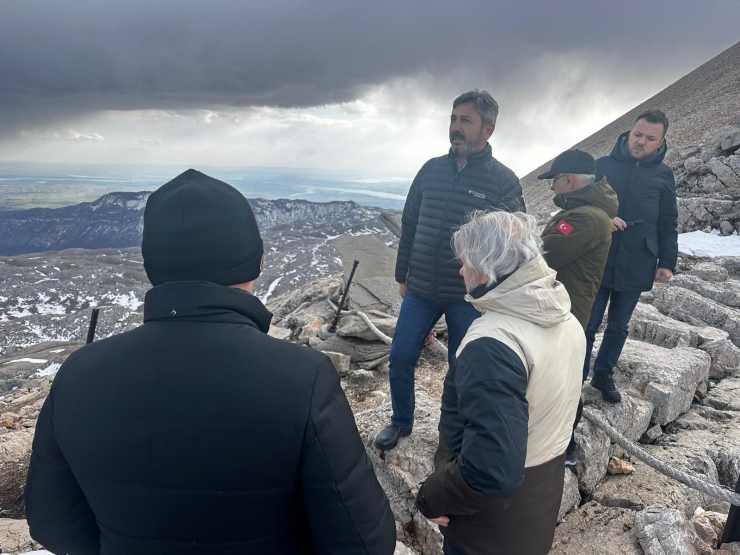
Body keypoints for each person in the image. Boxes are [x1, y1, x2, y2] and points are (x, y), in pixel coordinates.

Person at [25, 169, 396, 555]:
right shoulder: (304, 378)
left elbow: (51, 522)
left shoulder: (78, 374)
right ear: (258, 263)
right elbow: (364, 542)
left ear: (153, 268)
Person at [415, 211, 584, 555]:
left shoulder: (493, 343)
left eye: (464, 263)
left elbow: (491, 476)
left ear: (483, 268)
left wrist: (431, 498)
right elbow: (566, 408)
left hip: (487, 532)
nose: (460, 271)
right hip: (537, 505)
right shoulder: (565, 317)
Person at [375, 90, 525, 451]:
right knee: (400, 357)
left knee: (461, 370)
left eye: (465, 120)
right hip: (421, 288)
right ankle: (401, 422)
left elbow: (514, 238)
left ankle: (452, 435)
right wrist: (402, 276)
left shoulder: (503, 180)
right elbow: (409, 225)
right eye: (453, 119)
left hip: (467, 297)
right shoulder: (430, 170)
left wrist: (492, 287)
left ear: (487, 130)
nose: (455, 127)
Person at [585, 110, 678, 403]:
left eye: (650, 138)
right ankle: (573, 374)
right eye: (638, 134)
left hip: (639, 259)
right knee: (587, 323)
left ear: (661, 142)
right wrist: (603, 218)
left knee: (619, 325)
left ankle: (603, 375)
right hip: (599, 257)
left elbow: (667, 221)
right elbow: (579, 204)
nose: (641, 142)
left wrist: (666, 262)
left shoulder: (664, 175)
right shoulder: (603, 166)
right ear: (629, 133)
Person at [538, 149, 619, 465]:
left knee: (562, 382)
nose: (553, 187)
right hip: (565, 309)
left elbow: (542, 256)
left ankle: (564, 446)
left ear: (568, 180)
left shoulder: (585, 217)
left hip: (567, 313)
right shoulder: (585, 211)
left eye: (555, 181)